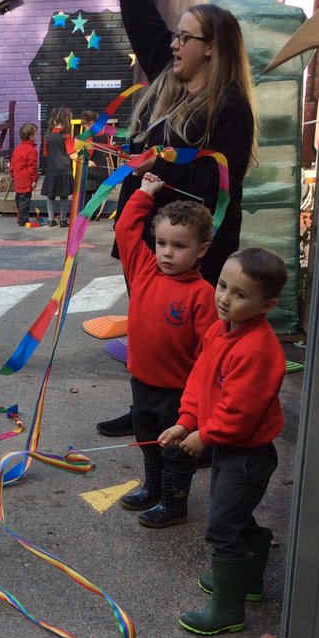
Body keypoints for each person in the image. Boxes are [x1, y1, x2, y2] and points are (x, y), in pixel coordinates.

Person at [97, 0, 257, 438]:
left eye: (185, 38)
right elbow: (144, 23)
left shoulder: (229, 108)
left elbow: (211, 187)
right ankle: (147, 408)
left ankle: (191, 422)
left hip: (194, 246)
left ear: (212, 49)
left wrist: (158, 166)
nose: (174, 43)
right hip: (147, 233)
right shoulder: (170, 77)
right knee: (148, 326)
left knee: (191, 335)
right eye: (177, 36)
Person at [158, 248, 288, 635]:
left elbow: (240, 411)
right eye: (222, 286)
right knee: (231, 513)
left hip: (248, 455)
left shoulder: (257, 350)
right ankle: (247, 579)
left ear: (267, 306)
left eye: (240, 295)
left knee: (222, 525)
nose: (224, 298)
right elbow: (200, 381)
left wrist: (207, 435)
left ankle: (228, 610)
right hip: (231, 448)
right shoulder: (221, 328)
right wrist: (186, 422)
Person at [115, 172, 217, 527]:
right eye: (161, 243)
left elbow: (210, 352)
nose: (168, 253)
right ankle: (153, 488)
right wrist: (145, 193)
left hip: (179, 391)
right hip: (141, 381)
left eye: (180, 246)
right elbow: (126, 229)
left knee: (176, 448)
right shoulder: (143, 269)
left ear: (202, 249)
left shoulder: (202, 294)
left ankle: (175, 503)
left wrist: (203, 401)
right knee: (147, 441)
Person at [41, 108, 74, 228]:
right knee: (64, 195)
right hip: (64, 170)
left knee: (51, 195)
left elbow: (45, 154)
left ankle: (50, 220)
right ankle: (63, 220)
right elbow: (72, 153)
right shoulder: (67, 136)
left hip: (52, 170)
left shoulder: (48, 137)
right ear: (67, 120)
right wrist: (86, 161)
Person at [9, 122, 39, 228]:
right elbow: (32, 167)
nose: (36, 136)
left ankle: (19, 218)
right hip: (26, 180)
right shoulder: (32, 150)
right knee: (25, 201)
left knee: (19, 199)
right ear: (31, 136)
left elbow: (12, 163)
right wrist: (34, 179)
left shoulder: (17, 149)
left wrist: (12, 175)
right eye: (35, 134)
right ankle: (23, 220)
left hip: (18, 178)